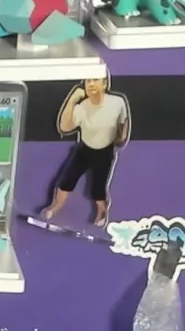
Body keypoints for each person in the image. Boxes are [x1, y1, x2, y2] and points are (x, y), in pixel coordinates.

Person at [43, 77, 130, 227]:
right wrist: (72, 100)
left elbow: (123, 123)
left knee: (98, 188)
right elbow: (64, 127)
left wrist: (121, 139)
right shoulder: (82, 107)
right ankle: (56, 206)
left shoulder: (117, 102)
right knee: (67, 180)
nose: (91, 84)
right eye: (88, 81)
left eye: (95, 80)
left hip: (105, 151)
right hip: (85, 149)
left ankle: (102, 212)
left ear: (104, 84)